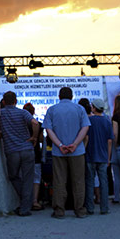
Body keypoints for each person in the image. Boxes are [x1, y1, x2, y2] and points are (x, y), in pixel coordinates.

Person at [42, 86, 90, 219]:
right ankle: (80, 210)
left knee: (59, 181)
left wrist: (60, 144)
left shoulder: (52, 109)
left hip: (59, 151)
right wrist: (75, 144)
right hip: (78, 151)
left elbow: (48, 130)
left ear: (59, 96)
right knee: (79, 181)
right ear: (72, 96)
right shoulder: (79, 109)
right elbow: (85, 127)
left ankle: (59, 210)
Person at [0, 91, 40, 216]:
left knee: (13, 176)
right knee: (28, 179)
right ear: (16, 101)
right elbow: (35, 123)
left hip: (11, 151)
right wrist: (34, 137)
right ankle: (25, 207)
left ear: (4, 102)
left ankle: (24, 205)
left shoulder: (0, 114)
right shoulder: (23, 113)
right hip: (27, 149)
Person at [85, 98, 112, 215]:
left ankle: (90, 208)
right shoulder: (107, 121)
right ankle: (104, 208)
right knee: (103, 182)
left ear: (94, 108)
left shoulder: (88, 121)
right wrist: (108, 157)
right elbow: (109, 140)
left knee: (89, 182)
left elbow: (85, 137)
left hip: (90, 155)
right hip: (102, 156)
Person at [22, 102, 44, 210]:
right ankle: (35, 200)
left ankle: (25, 200)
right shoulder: (38, 124)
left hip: (23, 152)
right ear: (33, 112)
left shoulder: (21, 125)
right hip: (36, 154)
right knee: (36, 178)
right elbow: (41, 140)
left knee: (25, 177)